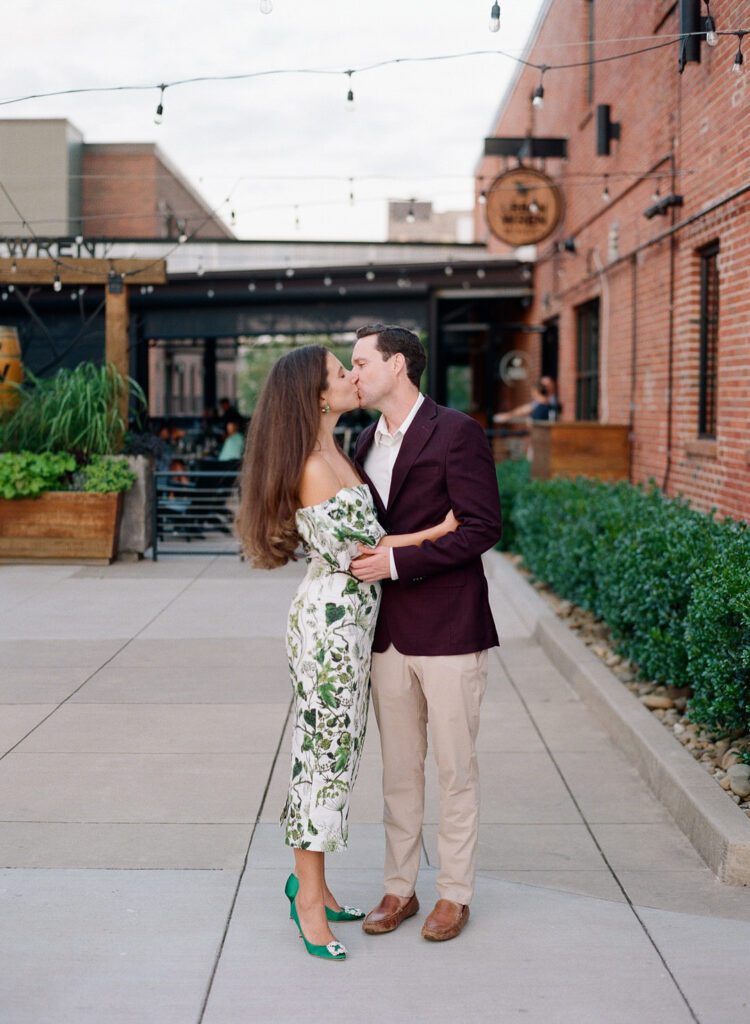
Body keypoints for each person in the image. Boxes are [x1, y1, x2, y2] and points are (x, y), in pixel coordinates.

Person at [235, 345, 459, 962]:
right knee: (322, 760)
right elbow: (366, 555)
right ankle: (308, 903)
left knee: (339, 755)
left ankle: (316, 885)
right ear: (315, 394)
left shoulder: (341, 450)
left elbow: (376, 540)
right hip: (330, 627)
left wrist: (422, 535)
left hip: (355, 625)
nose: (351, 378)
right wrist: (438, 533)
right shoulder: (312, 465)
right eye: (340, 373)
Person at [349, 323, 502, 944]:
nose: (353, 373)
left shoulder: (457, 432)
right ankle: (399, 888)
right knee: (399, 771)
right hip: (387, 634)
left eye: (361, 362)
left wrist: (397, 560)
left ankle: (454, 895)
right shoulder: (360, 442)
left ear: (398, 366)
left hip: (450, 627)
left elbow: (480, 527)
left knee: (454, 769)